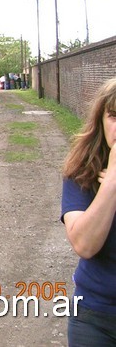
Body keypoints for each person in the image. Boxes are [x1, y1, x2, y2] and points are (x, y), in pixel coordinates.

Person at [62, 77, 116, 345]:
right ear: (101, 121)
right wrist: (113, 184)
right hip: (94, 315)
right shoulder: (82, 170)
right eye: (115, 116)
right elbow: (84, 244)